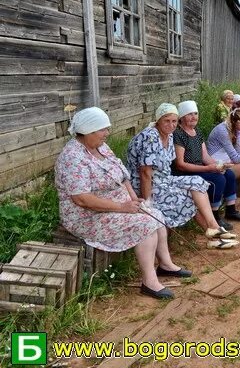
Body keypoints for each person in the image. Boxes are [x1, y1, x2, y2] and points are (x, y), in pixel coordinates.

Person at [55, 107, 186, 299]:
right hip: (87, 217)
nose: (107, 133)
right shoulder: (73, 158)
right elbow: (81, 199)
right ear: (87, 130)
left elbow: (123, 176)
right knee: (147, 224)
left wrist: (134, 199)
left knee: (154, 214)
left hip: (116, 206)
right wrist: (123, 207)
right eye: (102, 130)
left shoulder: (100, 147)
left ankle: (165, 265)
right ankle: (149, 282)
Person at [127, 103, 238, 249]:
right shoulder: (150, 137)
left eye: (174, 121)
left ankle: (213, 228)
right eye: (167, 121)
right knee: (187, 196)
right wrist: (148, 203)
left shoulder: (169, 135)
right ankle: (214, 235)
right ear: (158, 120)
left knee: (197, 182)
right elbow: (145, 173)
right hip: (148, 184)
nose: (171, 125)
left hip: (164, 180)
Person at [172, 100, 240, 231]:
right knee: (217, 180)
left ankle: (231, 210)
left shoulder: (197, 131)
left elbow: (205, 156)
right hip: (186, 172)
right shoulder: (178, 135)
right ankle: (215, 216)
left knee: (228, 173)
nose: (193, 117)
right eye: (189, 114)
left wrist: (220, 165)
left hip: (199, 167)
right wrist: (209, 168)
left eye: (195, 113)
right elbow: (180, 164)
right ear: (181, 117)